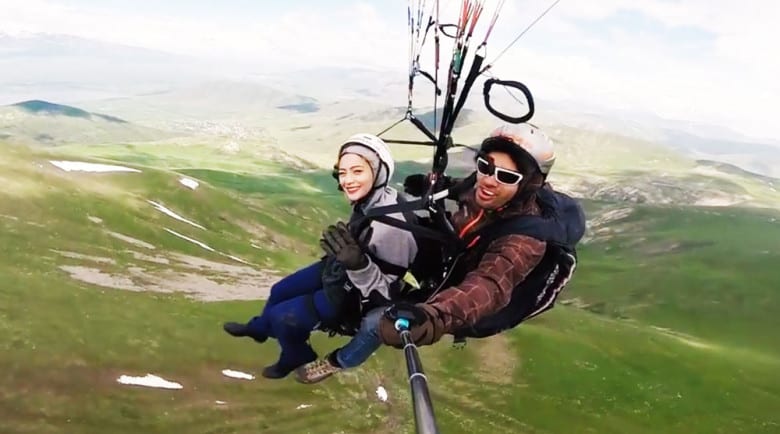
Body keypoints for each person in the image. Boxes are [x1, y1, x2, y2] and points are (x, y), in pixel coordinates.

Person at [222, 133, 419, 379]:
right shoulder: (375, 201)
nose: (347, 180)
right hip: (340, 270)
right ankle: (260, 329)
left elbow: (386, 295)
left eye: (357, 171)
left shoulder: (392, 229)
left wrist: (359, 265)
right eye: (343, 173)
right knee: (279, 291)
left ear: (378, 173)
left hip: (353, 296)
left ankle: (296, 355)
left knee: (284, 318)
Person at [375, 122, 586, 348]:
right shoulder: (489, 188)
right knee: (395, 221)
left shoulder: (523, 240)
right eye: (485, 166)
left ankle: (344, 356)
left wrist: (435, 316)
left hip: (464, 291)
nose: (488, 180)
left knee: (388, 315)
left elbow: (489, 285)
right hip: (455, 249)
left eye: (506, 177)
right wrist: (436, 185)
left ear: (528, 184)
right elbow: (467, 189)